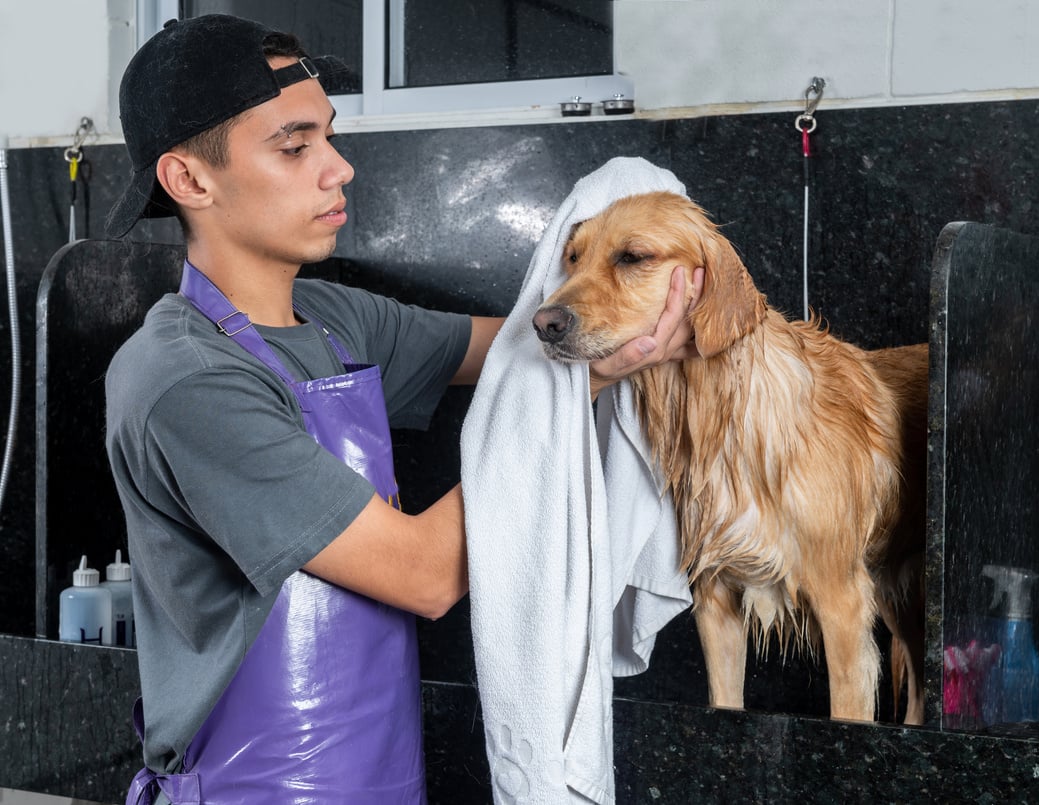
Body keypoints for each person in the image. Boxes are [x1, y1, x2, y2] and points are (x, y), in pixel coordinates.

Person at [103, 14, 700, 804]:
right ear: (189, 181)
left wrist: (633, 305)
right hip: (255, 791)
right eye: (295, 146)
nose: (338, 168)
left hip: (384, 778)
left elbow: (527, 350)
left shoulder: (329, 320)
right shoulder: (186, 380)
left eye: (330, 137)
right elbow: (422, 574)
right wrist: (586, 382)